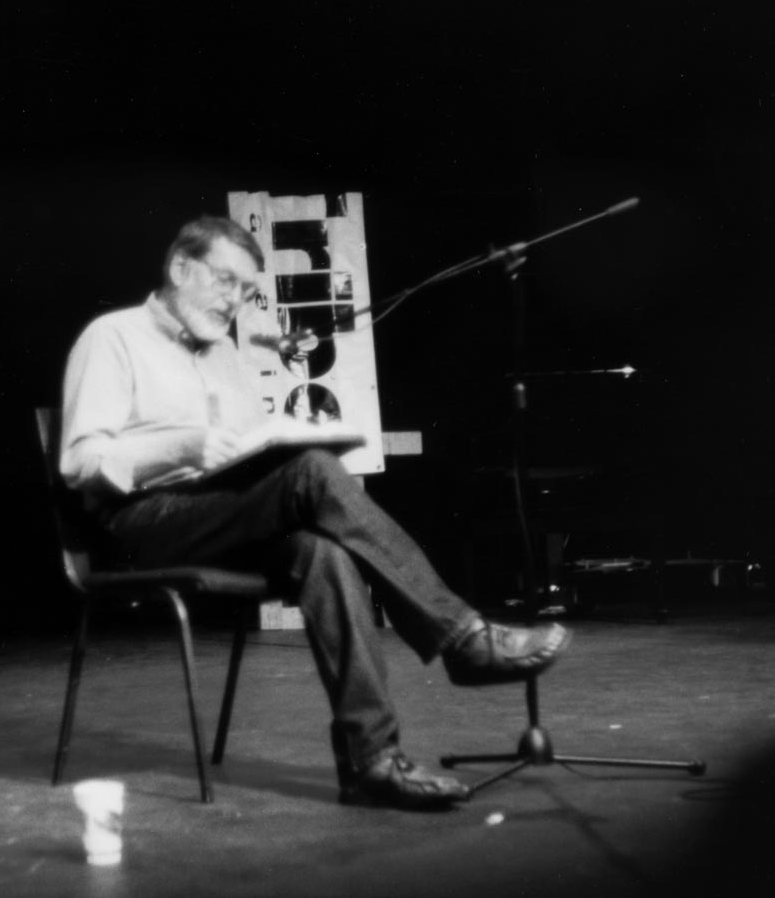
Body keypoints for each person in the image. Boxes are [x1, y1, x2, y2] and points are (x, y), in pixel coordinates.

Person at [59, 215, 571, 810]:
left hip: (214, 516)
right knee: (313, 473)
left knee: (322, 551)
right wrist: (179, 446)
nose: (236, 302)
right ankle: (460, 637)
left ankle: (371, 762)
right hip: (138, 524)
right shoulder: (112, 337)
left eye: (247, 292)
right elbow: (80, 461)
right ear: (180, 268)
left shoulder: (223, 350)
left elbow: (245, 452)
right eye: (226, 282)